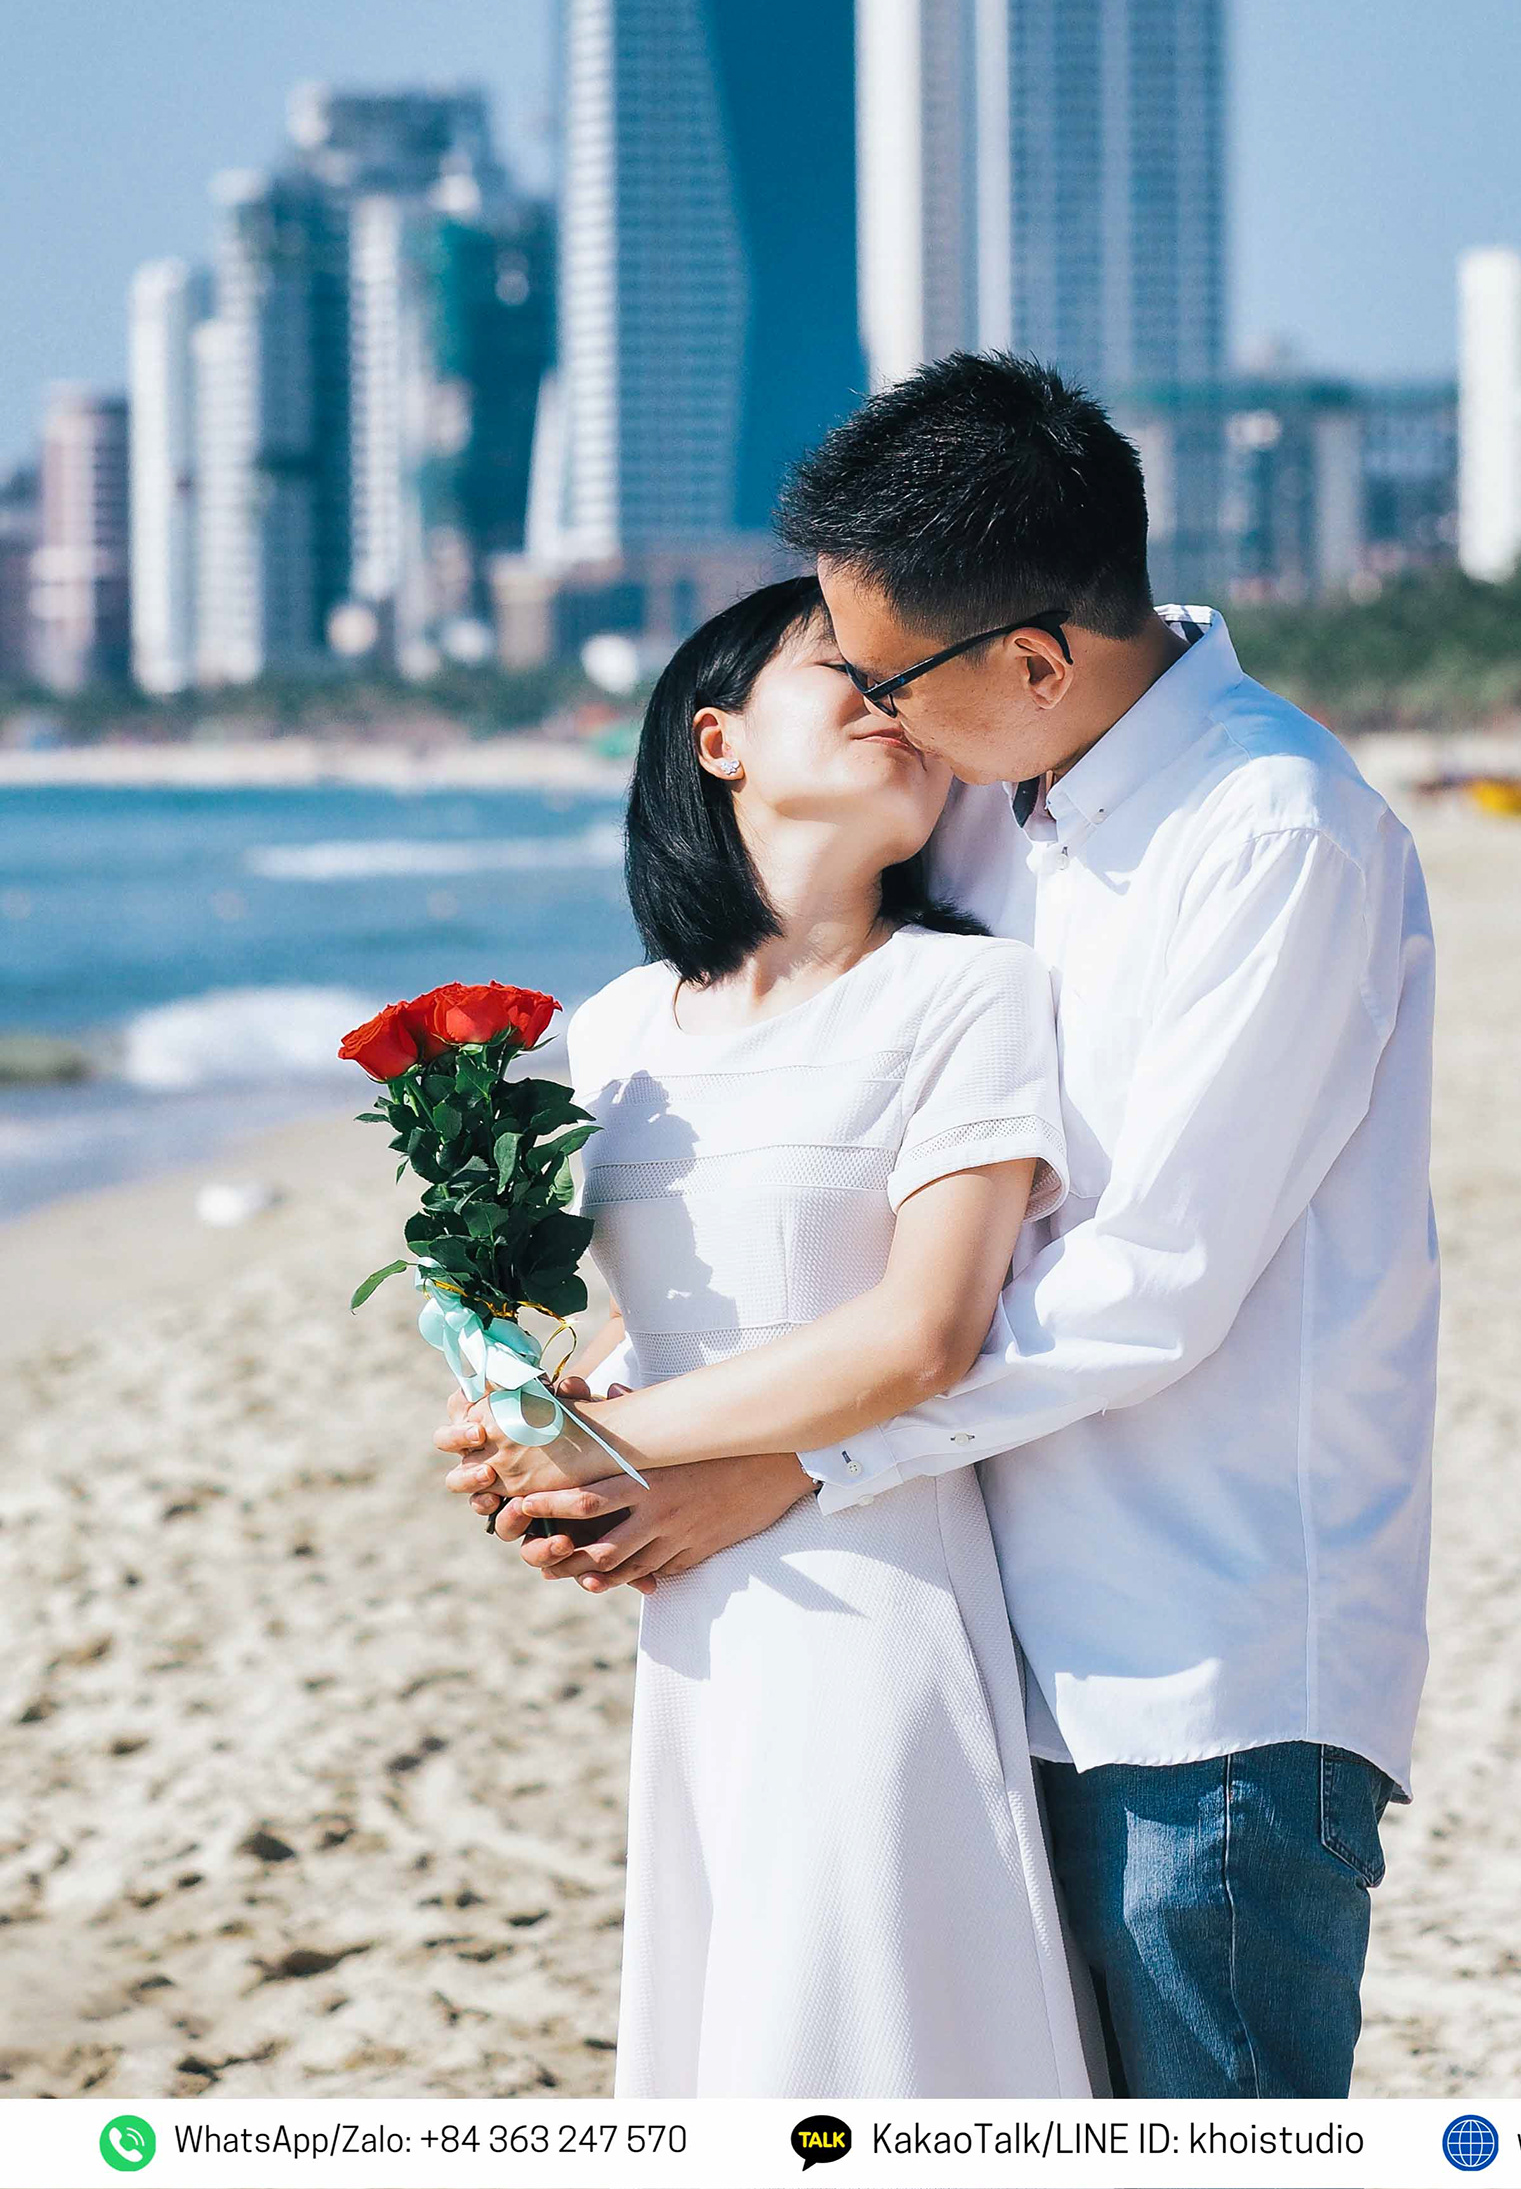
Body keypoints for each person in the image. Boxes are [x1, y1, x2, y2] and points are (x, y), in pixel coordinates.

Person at [451, 352, 1440, 2102]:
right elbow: (830, 1136)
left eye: (894, 676)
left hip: (1191, 1661)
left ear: (1035, 658)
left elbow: (1142, 1292)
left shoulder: (1274, 837)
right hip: (972, 1628)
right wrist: (622, 1368)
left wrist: (777, 1464)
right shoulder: (1007, 800)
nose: (884, 717)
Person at [452, 573, 1092, 2098]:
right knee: (730, 2036)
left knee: (862, 2034)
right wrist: (522, 1430)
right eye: (848, 675)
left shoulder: (966, 991)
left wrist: (599, 1449)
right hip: (694, 1614)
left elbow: (924, 1334)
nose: (900, 707)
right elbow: (647, 1316)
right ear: (718, 739)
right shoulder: (613, 1035)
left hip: (872, 1597)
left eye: (913, 691)